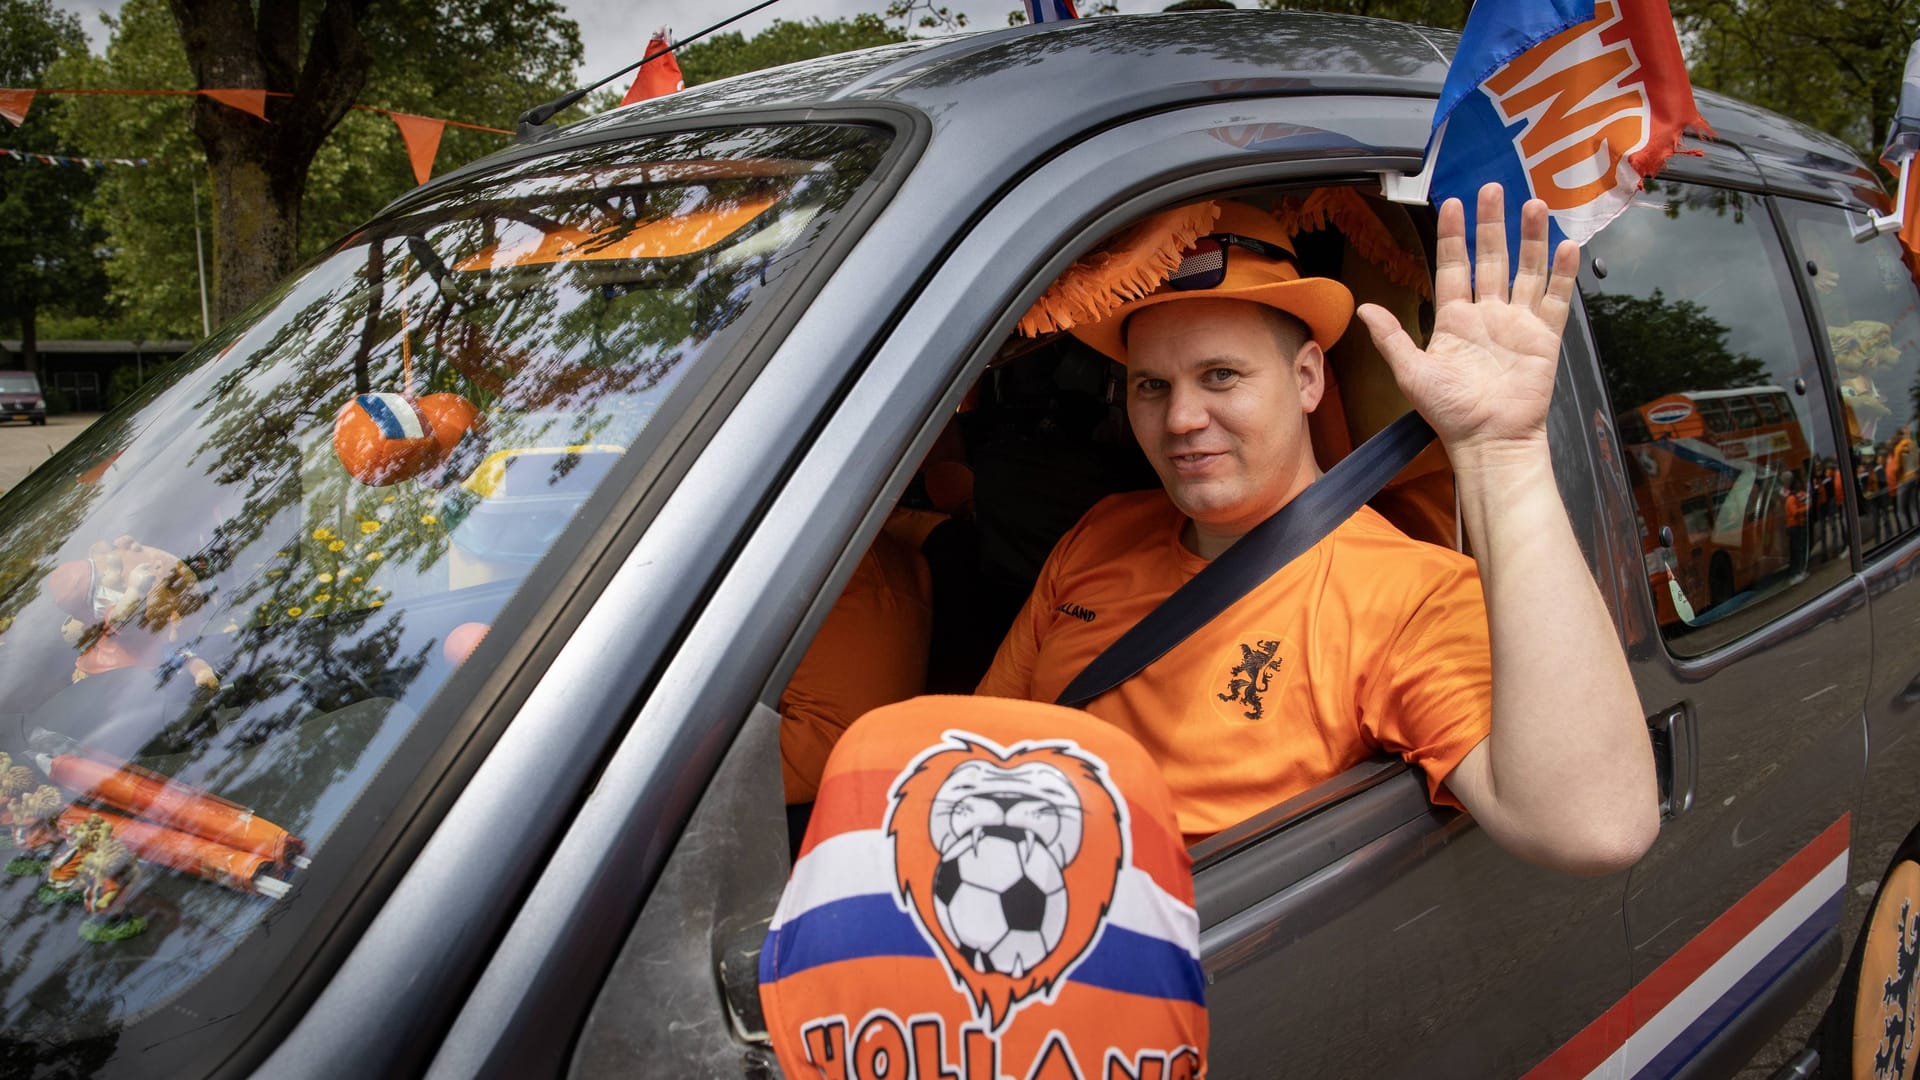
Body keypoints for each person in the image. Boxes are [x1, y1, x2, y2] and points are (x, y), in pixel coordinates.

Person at [977, 184, 1658, 875]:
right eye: (1153, 386)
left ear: (1307, 380)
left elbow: (1597, 825)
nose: (1181, 418)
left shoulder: (1407, 596)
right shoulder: (1101, 533)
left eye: (1219, 376)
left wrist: (1500, 453)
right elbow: (977, 748)